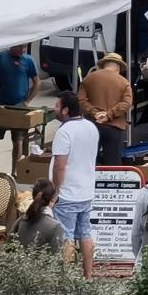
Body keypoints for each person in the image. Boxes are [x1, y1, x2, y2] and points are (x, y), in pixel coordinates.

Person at [49, 89, 100, 277]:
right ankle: (88, 276)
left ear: (65, 110)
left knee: (66, 236)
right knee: (85, 234)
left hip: (67, 193)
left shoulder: (64, 132)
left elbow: (60, 166)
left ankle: (67, 278)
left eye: (57, 105)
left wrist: (55, 192)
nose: (54, 109)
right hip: (86, 191)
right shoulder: (91, 127)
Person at [0, 42, 39, 171]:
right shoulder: (1, 57)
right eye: (20, 47)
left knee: (18, 139)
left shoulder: (29, 60)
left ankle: (15, 171)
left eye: (25, 47)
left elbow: (37, 82)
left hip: (19, 106)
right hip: (2, 104)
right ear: (12, 45)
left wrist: (27, 102)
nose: (23, 50)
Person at [81, 52, 134, 166]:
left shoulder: (89, 78)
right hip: (114, 127)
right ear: (117, 66)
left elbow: (80, 100)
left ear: (104, 64)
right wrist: (109, 114)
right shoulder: (124, 82)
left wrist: (94, 113)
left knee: (89, 162)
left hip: (92, 125)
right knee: (112, 163)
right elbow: (126, 103)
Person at [14, 179, 66, 252]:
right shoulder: (55, 227)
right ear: (53, 199)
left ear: (33, 196)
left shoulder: (20, 221)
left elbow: (9, 247)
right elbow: (56, 259)